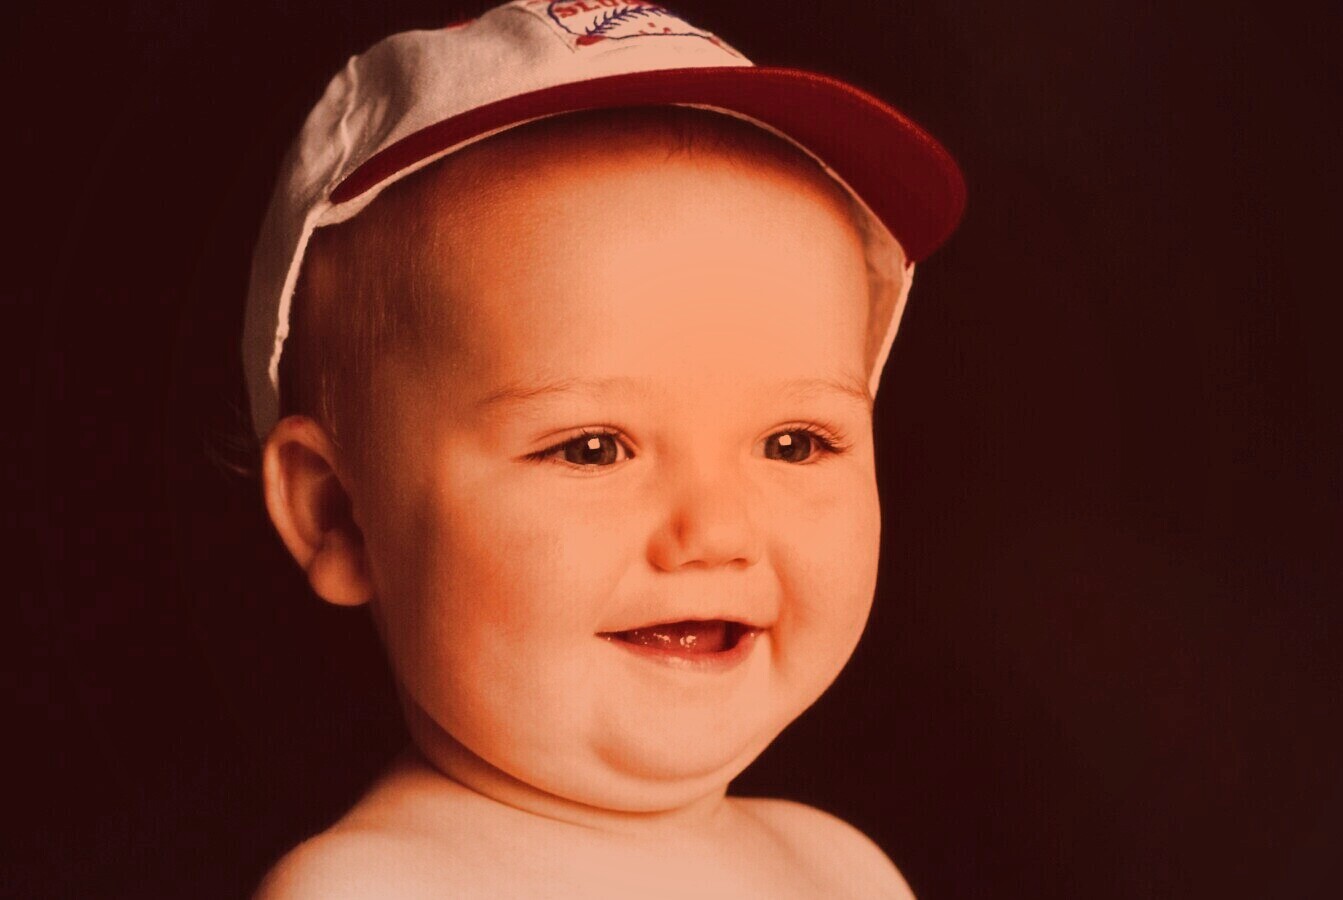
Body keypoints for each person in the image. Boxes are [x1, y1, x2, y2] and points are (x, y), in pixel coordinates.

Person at [244, 2, 965, 896]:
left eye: (793, 442)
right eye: (592, 449)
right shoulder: (372, 890)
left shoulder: (843, 869)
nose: (715, 532)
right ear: (340, 514)